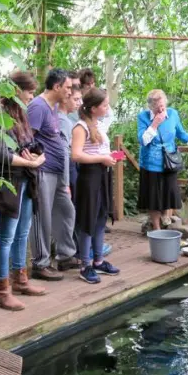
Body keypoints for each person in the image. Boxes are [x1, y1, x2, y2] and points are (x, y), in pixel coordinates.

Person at [0, 71, 48, 311]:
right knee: (6, 236)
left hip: (25, 180)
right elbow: (1, 154)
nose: (32, 97)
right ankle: (2, 291)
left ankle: (20, 279)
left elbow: (26, 145)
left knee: (23, 233)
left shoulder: (21, 114)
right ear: (16, 91)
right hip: (8, 182)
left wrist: (34, 154)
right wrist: (31, 162)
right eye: (30, 92)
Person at [27, 68, 79, 280]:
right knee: (42, 217)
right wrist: (35, 159)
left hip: (58, 171)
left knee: (66, 211)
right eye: (67, 87)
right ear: (56, 87)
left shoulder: (54, 106)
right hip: (43, 171)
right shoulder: (37, 106)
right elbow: (28, 137)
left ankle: (65, 255)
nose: (70, 91)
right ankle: (40, 263)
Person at [137, 89, 188, 230]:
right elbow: (143, 141)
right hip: (150, 164)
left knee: (168, 194)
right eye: (157, 107)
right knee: (153, 198)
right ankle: (156, 229)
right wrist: (154, 124)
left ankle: (166, 217)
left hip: (169, 161)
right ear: (150, 107)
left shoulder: (172, 114)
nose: (160, 109)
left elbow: (181, 133)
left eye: (162, 105)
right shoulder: (143, 117)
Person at [71, 89, 120, 284]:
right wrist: (102, 158)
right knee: (87, 220)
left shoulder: (98, 125)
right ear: (93, 108)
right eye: (104, 105)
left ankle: (99, 260)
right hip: (89, 177)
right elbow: (76, 155)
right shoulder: (80, 127)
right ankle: (85, 265)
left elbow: (99, 149)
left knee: (100, 218)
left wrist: (111, 156)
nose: (107, 108)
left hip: (102, 175)